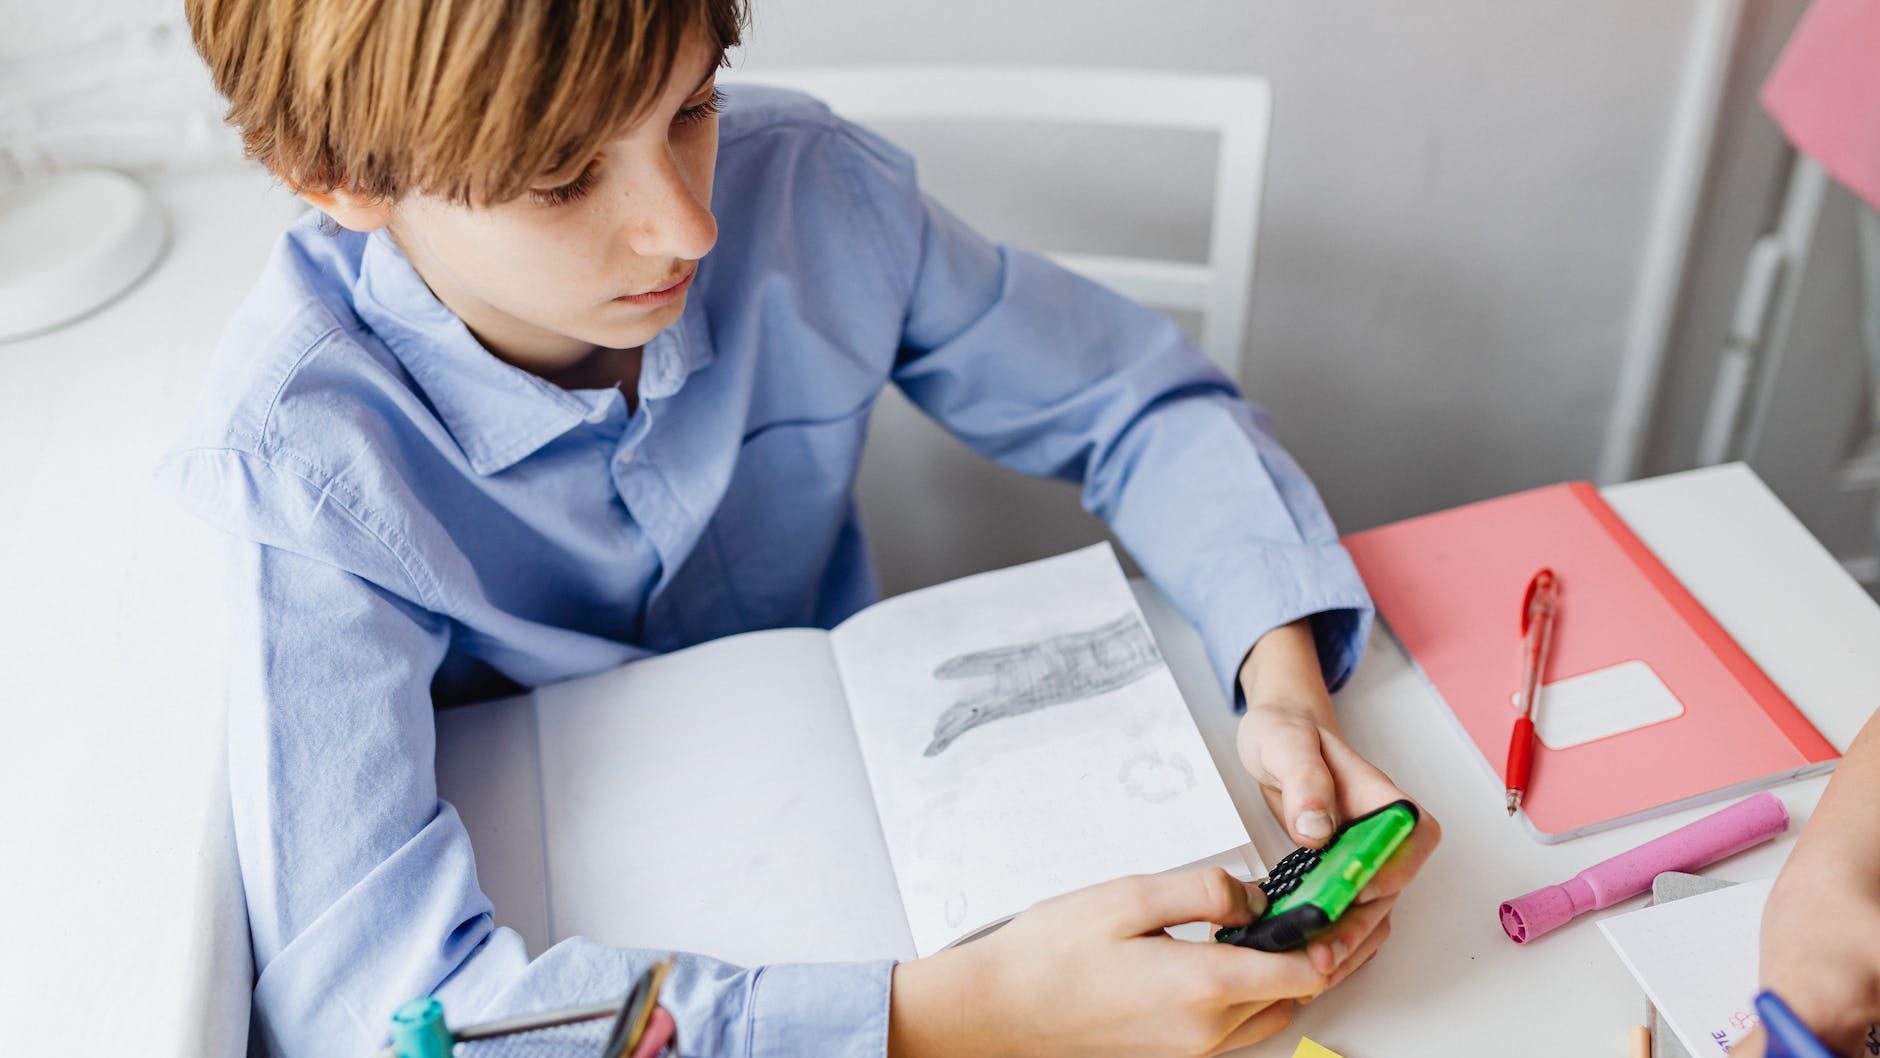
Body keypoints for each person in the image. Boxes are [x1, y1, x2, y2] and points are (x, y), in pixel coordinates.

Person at [165, 1, 1438, 1055]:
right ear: (337, 180)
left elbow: (1133, 402)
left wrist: (1281, 680)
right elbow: (374, 1006)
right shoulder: (300, 463)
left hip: (906, 840)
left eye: (690, 108)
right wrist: (956, 1019)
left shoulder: (813, 194)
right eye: (562, 177)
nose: (688, 226)